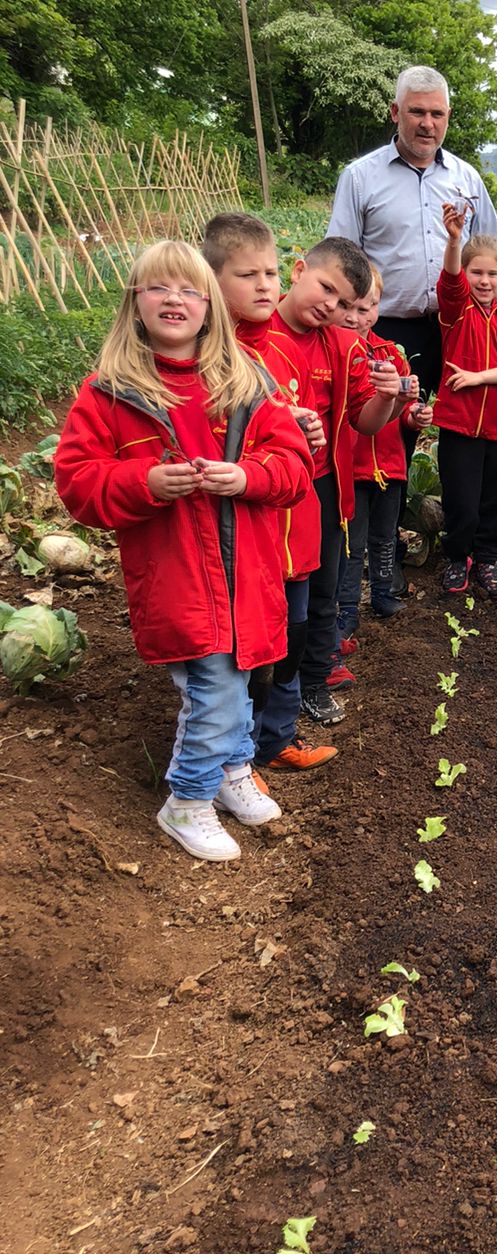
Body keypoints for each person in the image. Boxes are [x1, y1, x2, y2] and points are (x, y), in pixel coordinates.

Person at [54, 240, 313, 862]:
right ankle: (188, 799)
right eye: (158, 288)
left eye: (189, 290)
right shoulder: (109, 393)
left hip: (246, 569)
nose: (174, 299)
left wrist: (247, 476)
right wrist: (143, 482)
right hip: (177, 576)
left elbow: (294, 466)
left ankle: (232, 772)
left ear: (209, 307)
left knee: (242, 672)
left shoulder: (244, 381)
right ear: (134, 303)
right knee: (216, 690)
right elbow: (77, 481)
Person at [328, 65, 497, 591]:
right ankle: (379, 550)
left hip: (455, 331)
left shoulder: (466, 178)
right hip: (387, 331)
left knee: (461, 437)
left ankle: (459, 544)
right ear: (395, 114)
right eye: (417, 112)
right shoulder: (361, 176)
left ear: (447, 117)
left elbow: (489, 247)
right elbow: (342, 257)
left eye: (437, 114)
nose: (427, 124)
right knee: (384, 437)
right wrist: (348, 328)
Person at [202, 211, 337, 775]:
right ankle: (237, 756)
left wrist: (309, 431)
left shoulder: (283, 351)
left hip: (295, 528)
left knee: (292, 636)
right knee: (243, 651)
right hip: (244, 536)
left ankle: (276, 739)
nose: (264, 286)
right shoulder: (208, 359)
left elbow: (305, 443)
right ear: (212, 280)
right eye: (247, 274)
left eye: (271, 272)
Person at [272, 237, 402, 728]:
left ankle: (312, 679)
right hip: (265, 488)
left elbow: (365, 422)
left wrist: (388, 398)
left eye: (347, 304)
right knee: (278, 591)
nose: (334, 308)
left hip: (323, 484)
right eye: (327, 290)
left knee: (324, 587)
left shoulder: (343, 344)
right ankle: (269, 690)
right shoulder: (251, 334)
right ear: (298, 270)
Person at [433, 202, 497, 599]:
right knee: (461, 497)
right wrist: (455, 240)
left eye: (493, 273)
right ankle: (458, 558)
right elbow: (450, 281)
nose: (484, 280)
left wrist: (478, 377)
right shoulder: (455, 312)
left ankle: (488, 559)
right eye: (477, 272)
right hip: (458, 423)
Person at [333, 269, 432, 650]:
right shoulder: (336, 353)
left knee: (384, 535)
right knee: (352, 542)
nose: (358, 317)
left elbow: (404, 412)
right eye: (351, 308)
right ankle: (346, 609)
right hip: (353, 467)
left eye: (369, 307)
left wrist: (414, 414)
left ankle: (383, 593)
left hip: (390, 464)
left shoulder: (391, 353)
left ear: (378, 306)